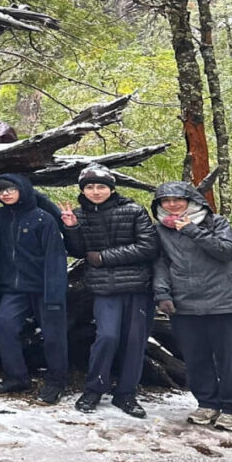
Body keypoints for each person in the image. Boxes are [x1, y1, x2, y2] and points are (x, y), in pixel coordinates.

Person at [59, 165, 158, 418]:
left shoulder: (134, 210)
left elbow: (149, 247)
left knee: (134, 342)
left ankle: (126, 394)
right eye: (89, 187)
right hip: (104, 289)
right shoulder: (79, 215)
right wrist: (70, 228)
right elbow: (79, 251)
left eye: (101, 186)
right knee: (107, 337)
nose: (95, 191)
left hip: (138, 287)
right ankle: (94, 388)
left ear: (111, 188)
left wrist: (103, 257)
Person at [152, 182, 232, 431]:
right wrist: (162, 294)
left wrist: (192, 230)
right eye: (166, 201)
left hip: (224, 301)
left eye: (178, 199)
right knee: (196, 357)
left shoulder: (215, 222)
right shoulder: (161, 230)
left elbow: (228, 252)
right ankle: (207, 402)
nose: (172, 204)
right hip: (184, 303)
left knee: (228, 357)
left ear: (191, 200)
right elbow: (160, 264)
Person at [0, 174, 69, 405]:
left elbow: (56, 258)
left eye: (10, 189)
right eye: (1, 191)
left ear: (23, 189)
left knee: (53, 336)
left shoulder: (43, 219)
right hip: (14, 288)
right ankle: (16, 377)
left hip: (44, 287)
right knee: (5, 325)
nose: (5, 194)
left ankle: (56, 382)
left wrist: (54, 293)